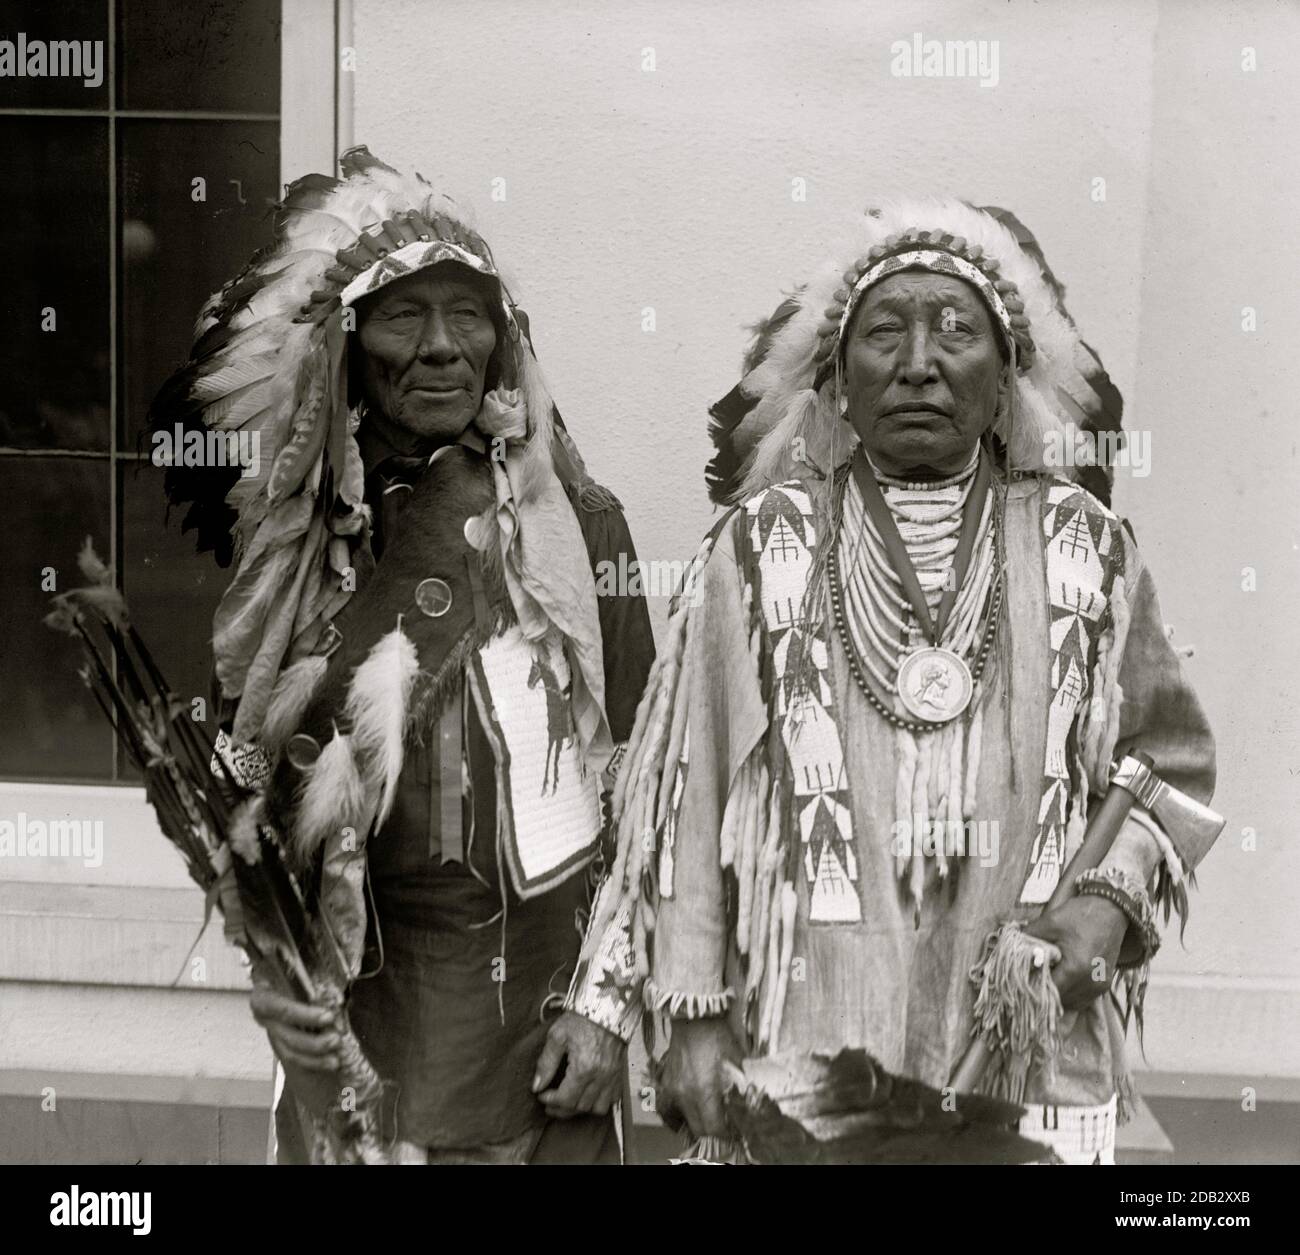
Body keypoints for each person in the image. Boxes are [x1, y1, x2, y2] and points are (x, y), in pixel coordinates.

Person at [584, 200, 1217, 1164]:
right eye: (885, 331)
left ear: (1006, 378)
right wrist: (693, 1016)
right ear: (838, 379)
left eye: (957, 330)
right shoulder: (759, 548)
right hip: (806, 1046)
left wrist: (1104, 898)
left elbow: (1170, 764)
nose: (919, 361)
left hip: (1022, 1044)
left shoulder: (1086, 545)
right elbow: (685, 795)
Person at [151, 147, 654, 1163]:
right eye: (400, 316)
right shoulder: (291, 559)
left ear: (503, 339)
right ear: (346, 344)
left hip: (541, 1016)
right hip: (357, 1008)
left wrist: (606, 1008)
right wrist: (269, 972)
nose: (439, 347)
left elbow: (653, 796)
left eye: (466, 314)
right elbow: (245, 797)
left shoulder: (581, 534)